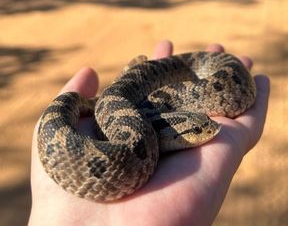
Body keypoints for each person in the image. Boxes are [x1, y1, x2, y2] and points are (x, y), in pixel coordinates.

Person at [29, 40, 270, 226]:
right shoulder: (141, 130)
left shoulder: (150, 122)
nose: (210, 130)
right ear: (175, 135)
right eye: (197, 130)